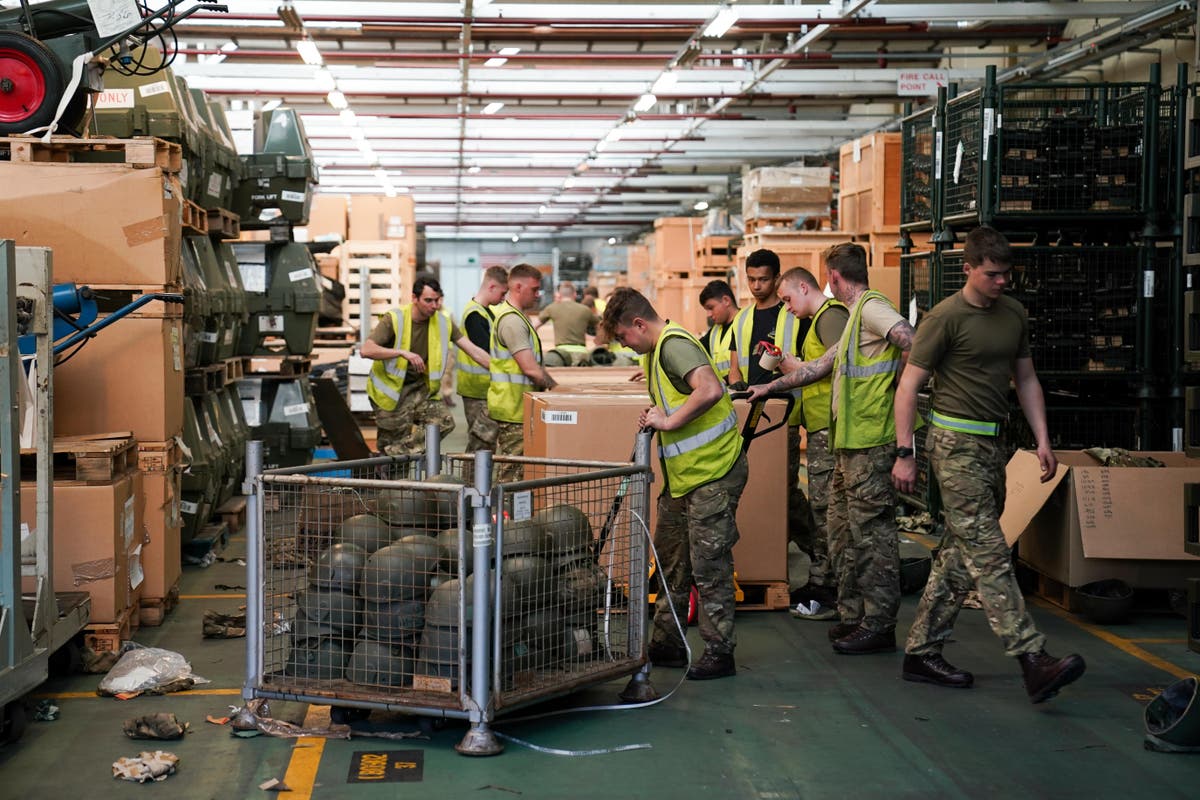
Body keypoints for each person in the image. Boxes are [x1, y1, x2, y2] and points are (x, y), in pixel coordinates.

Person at [894, 226, 1085, 703]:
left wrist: (1043, 440)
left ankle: (920, 652)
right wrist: (905, 452)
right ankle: (1031, 658)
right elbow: (907, 387)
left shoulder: (1013, 314)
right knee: (990, 552)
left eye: (1006, 275)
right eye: (993, 274)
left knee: (962, 552)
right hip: (953, 445)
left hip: (993, 446)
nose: (1002, 283)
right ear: (969, 270)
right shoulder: (944, 318)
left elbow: (1026, 379)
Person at [748, 242, 914, 655]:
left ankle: (879, 624)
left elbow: (913, 341)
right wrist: (769, 386)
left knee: (873, 537)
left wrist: (905, 398)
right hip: (847, 442)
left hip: (872, 441)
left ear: (834, 277)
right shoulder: (855, 316)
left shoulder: (871, 308)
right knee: (841, 531)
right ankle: (856, 615)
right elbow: (820, 366)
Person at [601, 287, 748, 680]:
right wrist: (657, 413)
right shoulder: (654, 354)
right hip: (684, 478)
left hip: (714, 471)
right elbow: (678, 396)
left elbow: (711, 389)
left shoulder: (672, 345)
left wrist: (668, 422)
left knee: (709, 563)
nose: (625, 346)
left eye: (623, 338)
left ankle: (720, 651)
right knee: (671, 560)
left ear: (638, 324)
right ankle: (667, 641)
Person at [726, 249, 815, 600]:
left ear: (777, 278)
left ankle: (818, 551)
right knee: (760, 487)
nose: (757, 286)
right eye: (751, 279)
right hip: (749, 415)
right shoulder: (743, 319)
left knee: (784, 490)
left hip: (784, 415)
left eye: (764, 279)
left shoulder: (793, 314)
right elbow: (735, 369)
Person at [774, 267, 849, 621]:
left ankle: (828, 586)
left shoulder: (829, 317)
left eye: (788, 299)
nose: (787, 307)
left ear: (804, 287)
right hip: (821, 425)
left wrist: (794, 366)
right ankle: (823, 579)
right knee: (823, 508)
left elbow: (840, 365)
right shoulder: (820, 318)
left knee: (826, 509)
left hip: (831, 427)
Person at [363, 275, 491, 456]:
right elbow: (366, 350)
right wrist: (401, 352)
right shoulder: (395, 319)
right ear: (415, 299)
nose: (434, 305)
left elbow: (472, 349)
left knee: (444, 422)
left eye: (437, 300)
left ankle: (394, 454)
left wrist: (499, 368)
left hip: (420, 391)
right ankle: (388, 468)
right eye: (428, 300)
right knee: (392, 440)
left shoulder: (442, 322)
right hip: (390, 394)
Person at [489, 263, 557, 481]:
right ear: (518, 287)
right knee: (513, 475)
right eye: (534, 289)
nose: (538, 295)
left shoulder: (518, 317)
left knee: (520, 472)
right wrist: (559, 390)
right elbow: (530, 369)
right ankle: (507, 515)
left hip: (518, 407)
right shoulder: (512, 321)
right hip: (514, 409)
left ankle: (512, 513)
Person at [457, 266, 509, 452]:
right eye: (503, 293)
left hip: (483, 387)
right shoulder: (475, 315)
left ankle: (477, 481)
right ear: (492, 286)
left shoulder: (485, 312)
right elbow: (486, 351)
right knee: (481, 443)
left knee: (485, 443)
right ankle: (472, 481)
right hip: (477, 389)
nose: (503, 298)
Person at [536, 280, 599, 366]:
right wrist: (598, 344)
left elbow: (534, 326)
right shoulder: (585, 310)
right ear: (575, 294)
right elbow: (601, 326)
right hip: (581, 353)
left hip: (560, 354)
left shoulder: (552, 308)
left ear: (560, 295)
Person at [698, 279, 739, 383]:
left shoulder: (746, 323)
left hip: (745, 393)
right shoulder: (714, 332)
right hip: (725, 394)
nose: (709, 315)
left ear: (726, 300)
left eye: (710, 308)